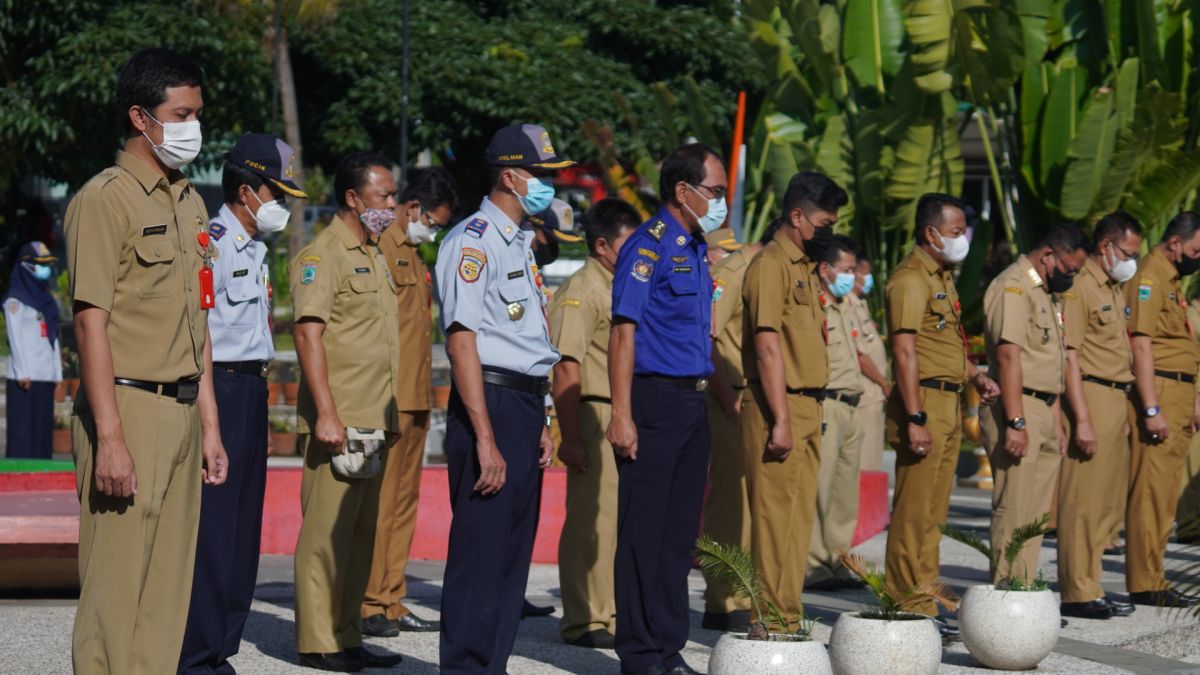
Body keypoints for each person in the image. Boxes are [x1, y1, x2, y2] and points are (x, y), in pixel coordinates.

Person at [64, 47, 228, 674]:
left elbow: (200, 319)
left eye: (197, 113)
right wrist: (109, 437)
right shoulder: (105, 200)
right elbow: (90, 322)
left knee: (166, 593)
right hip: (127, 407)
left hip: (184, 410)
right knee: (116, 590)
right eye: (181, 114)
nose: (194, 128)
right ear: (140, 117)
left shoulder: (188, 201)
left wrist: (210, 426)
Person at [434, 124, 568, 673]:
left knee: (512, 556)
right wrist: (485, 438)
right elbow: (463, 339)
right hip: (486, 404)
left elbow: (522, 340)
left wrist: (539, 417)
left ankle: (492, 663)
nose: (549, 188)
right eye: (542, 176)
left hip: (521, 404)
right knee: (480, 554)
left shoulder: (519, 242)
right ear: (511, 175)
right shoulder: (471, 241)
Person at [177, 133, 306, 673]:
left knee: (243, 530)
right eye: (278, 192)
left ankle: (223, 646)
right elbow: (200, 334)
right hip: (220, 389)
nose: (283, 205)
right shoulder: (213, 242)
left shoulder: (255, 247)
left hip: (252, 387)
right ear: (248, 190)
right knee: (215, 529)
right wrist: (210, 425)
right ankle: (198, 654)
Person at [607, 143, 726, 675]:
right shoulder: (647, 246)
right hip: (653, 400)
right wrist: (622, 412)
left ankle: (668, 646)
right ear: (684, 191)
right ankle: (640, 654)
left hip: (692, 401)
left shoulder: (698, 248)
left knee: (679, 536)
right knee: (644, 533)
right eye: (716, 191)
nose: (721, 201)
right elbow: (622, 333)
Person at [291, 151, 404, 672]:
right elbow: (309, 333)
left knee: (360, 536)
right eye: (384, 196)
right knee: (325, 535)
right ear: (354, 198)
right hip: (339, 420)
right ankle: (318, 640)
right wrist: (326, 413)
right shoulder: (324, 255)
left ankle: (348, 631)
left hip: (374, 416)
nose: (392, 205)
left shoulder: (374, 251)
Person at [884, 193, 999, 638]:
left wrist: (975, 375)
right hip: (925, 403)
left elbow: (943, 344)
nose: (962, 240)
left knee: (933, 511)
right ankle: (903, 599)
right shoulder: (910, 280)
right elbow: (905, 350)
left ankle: (927, 595)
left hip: (948, 401)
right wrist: (914, 417)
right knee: (913, 509)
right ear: (930, 234)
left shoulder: (941, 277)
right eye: (954, 232)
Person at [740, 171, 845, 629]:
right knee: (774, 522)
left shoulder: (804, 266)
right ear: (797, 216)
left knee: (797, 523)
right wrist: (780, 419)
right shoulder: (771, 266)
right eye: (824, 223)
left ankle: (787, 614)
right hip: (777, 406)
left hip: (808, 405)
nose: (830, 232)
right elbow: (766, 345)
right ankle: (768, 619)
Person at [360, 167, 459, 638]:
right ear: (413, 208)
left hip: (416, 397)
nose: (433, 230)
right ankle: (369, 601)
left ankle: (392, 599)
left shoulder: (414, 255)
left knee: (403, 504)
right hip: (390, 397)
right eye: (433, 221)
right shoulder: (381, 249)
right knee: (380, 504)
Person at [549, 198, 640, 649]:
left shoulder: (621, 285)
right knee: (592, 521)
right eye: (630, 244)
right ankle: (585, 617)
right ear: (602, 245)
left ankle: (611, 610)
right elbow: (566, 366)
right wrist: (569, 437)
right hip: (593, 409)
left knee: (617, 522)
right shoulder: (583, 289)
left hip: (621, 409)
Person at [982, 224, 1088, 586]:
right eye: (1069, 269)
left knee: (1035, 514)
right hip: (1019, 406)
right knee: (1014, 507)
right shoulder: (1013, 287)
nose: (1070, 277)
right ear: (1048, 256)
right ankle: (1005, 592)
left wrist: (1056, 422)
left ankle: (1023, 589)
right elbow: (1009, 357)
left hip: (1043, 406)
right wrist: (1016, 422)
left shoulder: (1045, 293)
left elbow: (1049, 362)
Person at [1056, 212, 1142, 620]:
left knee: (1106, 504)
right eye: (1127, 252)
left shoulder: (1112, 286)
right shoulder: (1080, 287)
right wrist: (1083, 419)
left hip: (1114, 395)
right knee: (1083, 502)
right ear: (1105, 246)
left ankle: (1092, 583)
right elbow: (1070, 355)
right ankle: (1077, 589)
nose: (1131, 261)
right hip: (1090, 393)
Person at [1123, 211, 1200, 608]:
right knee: (1151, 491)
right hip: (1162, 390)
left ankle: (1155, 574)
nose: (1196, 257)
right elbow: (1141, 344)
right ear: (1174, 243)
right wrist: (1151, 407)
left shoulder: (1172, 280)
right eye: (1194, 250)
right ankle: (1144, 580)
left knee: (1166, 493)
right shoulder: (1150, 278)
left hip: (1179, 391)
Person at [699, 223, 768, 631]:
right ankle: (724, 598)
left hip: (752, 396)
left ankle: (743, 592)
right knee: (730, 504)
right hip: (730, 394)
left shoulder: (757, 265)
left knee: (749, 504)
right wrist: (728, 401)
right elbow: (708, 335)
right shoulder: (732, 271)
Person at [806, 233, 868, 591]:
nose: (850, 275)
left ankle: (839, 559)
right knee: (822, 488)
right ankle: (813, 565)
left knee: (844, 493)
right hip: (826, 401)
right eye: (845, 269)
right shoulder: (815, 304)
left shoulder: (845, 305)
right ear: (825, 269)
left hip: (851, 403)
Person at [4, 241, 62, 459]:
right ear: (26, 265)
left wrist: (57, 373)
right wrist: (22, 372)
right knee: (22, 434)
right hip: (24, 377)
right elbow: (15, 337)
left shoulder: (46, 300)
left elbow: (53, 336)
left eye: (47, 264)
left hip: (44, 374)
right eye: (40, 264)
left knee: (41, 435)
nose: (44, 269)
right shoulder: (15, 299)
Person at [850, 258, 890, 472]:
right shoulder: (847, 304)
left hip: (873, 395)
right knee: (865, 464)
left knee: (872, 460)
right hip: (866, 394)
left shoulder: (860, 303)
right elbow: (860, 355)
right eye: (865, 273)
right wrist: (884, 384)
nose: (868, 279)